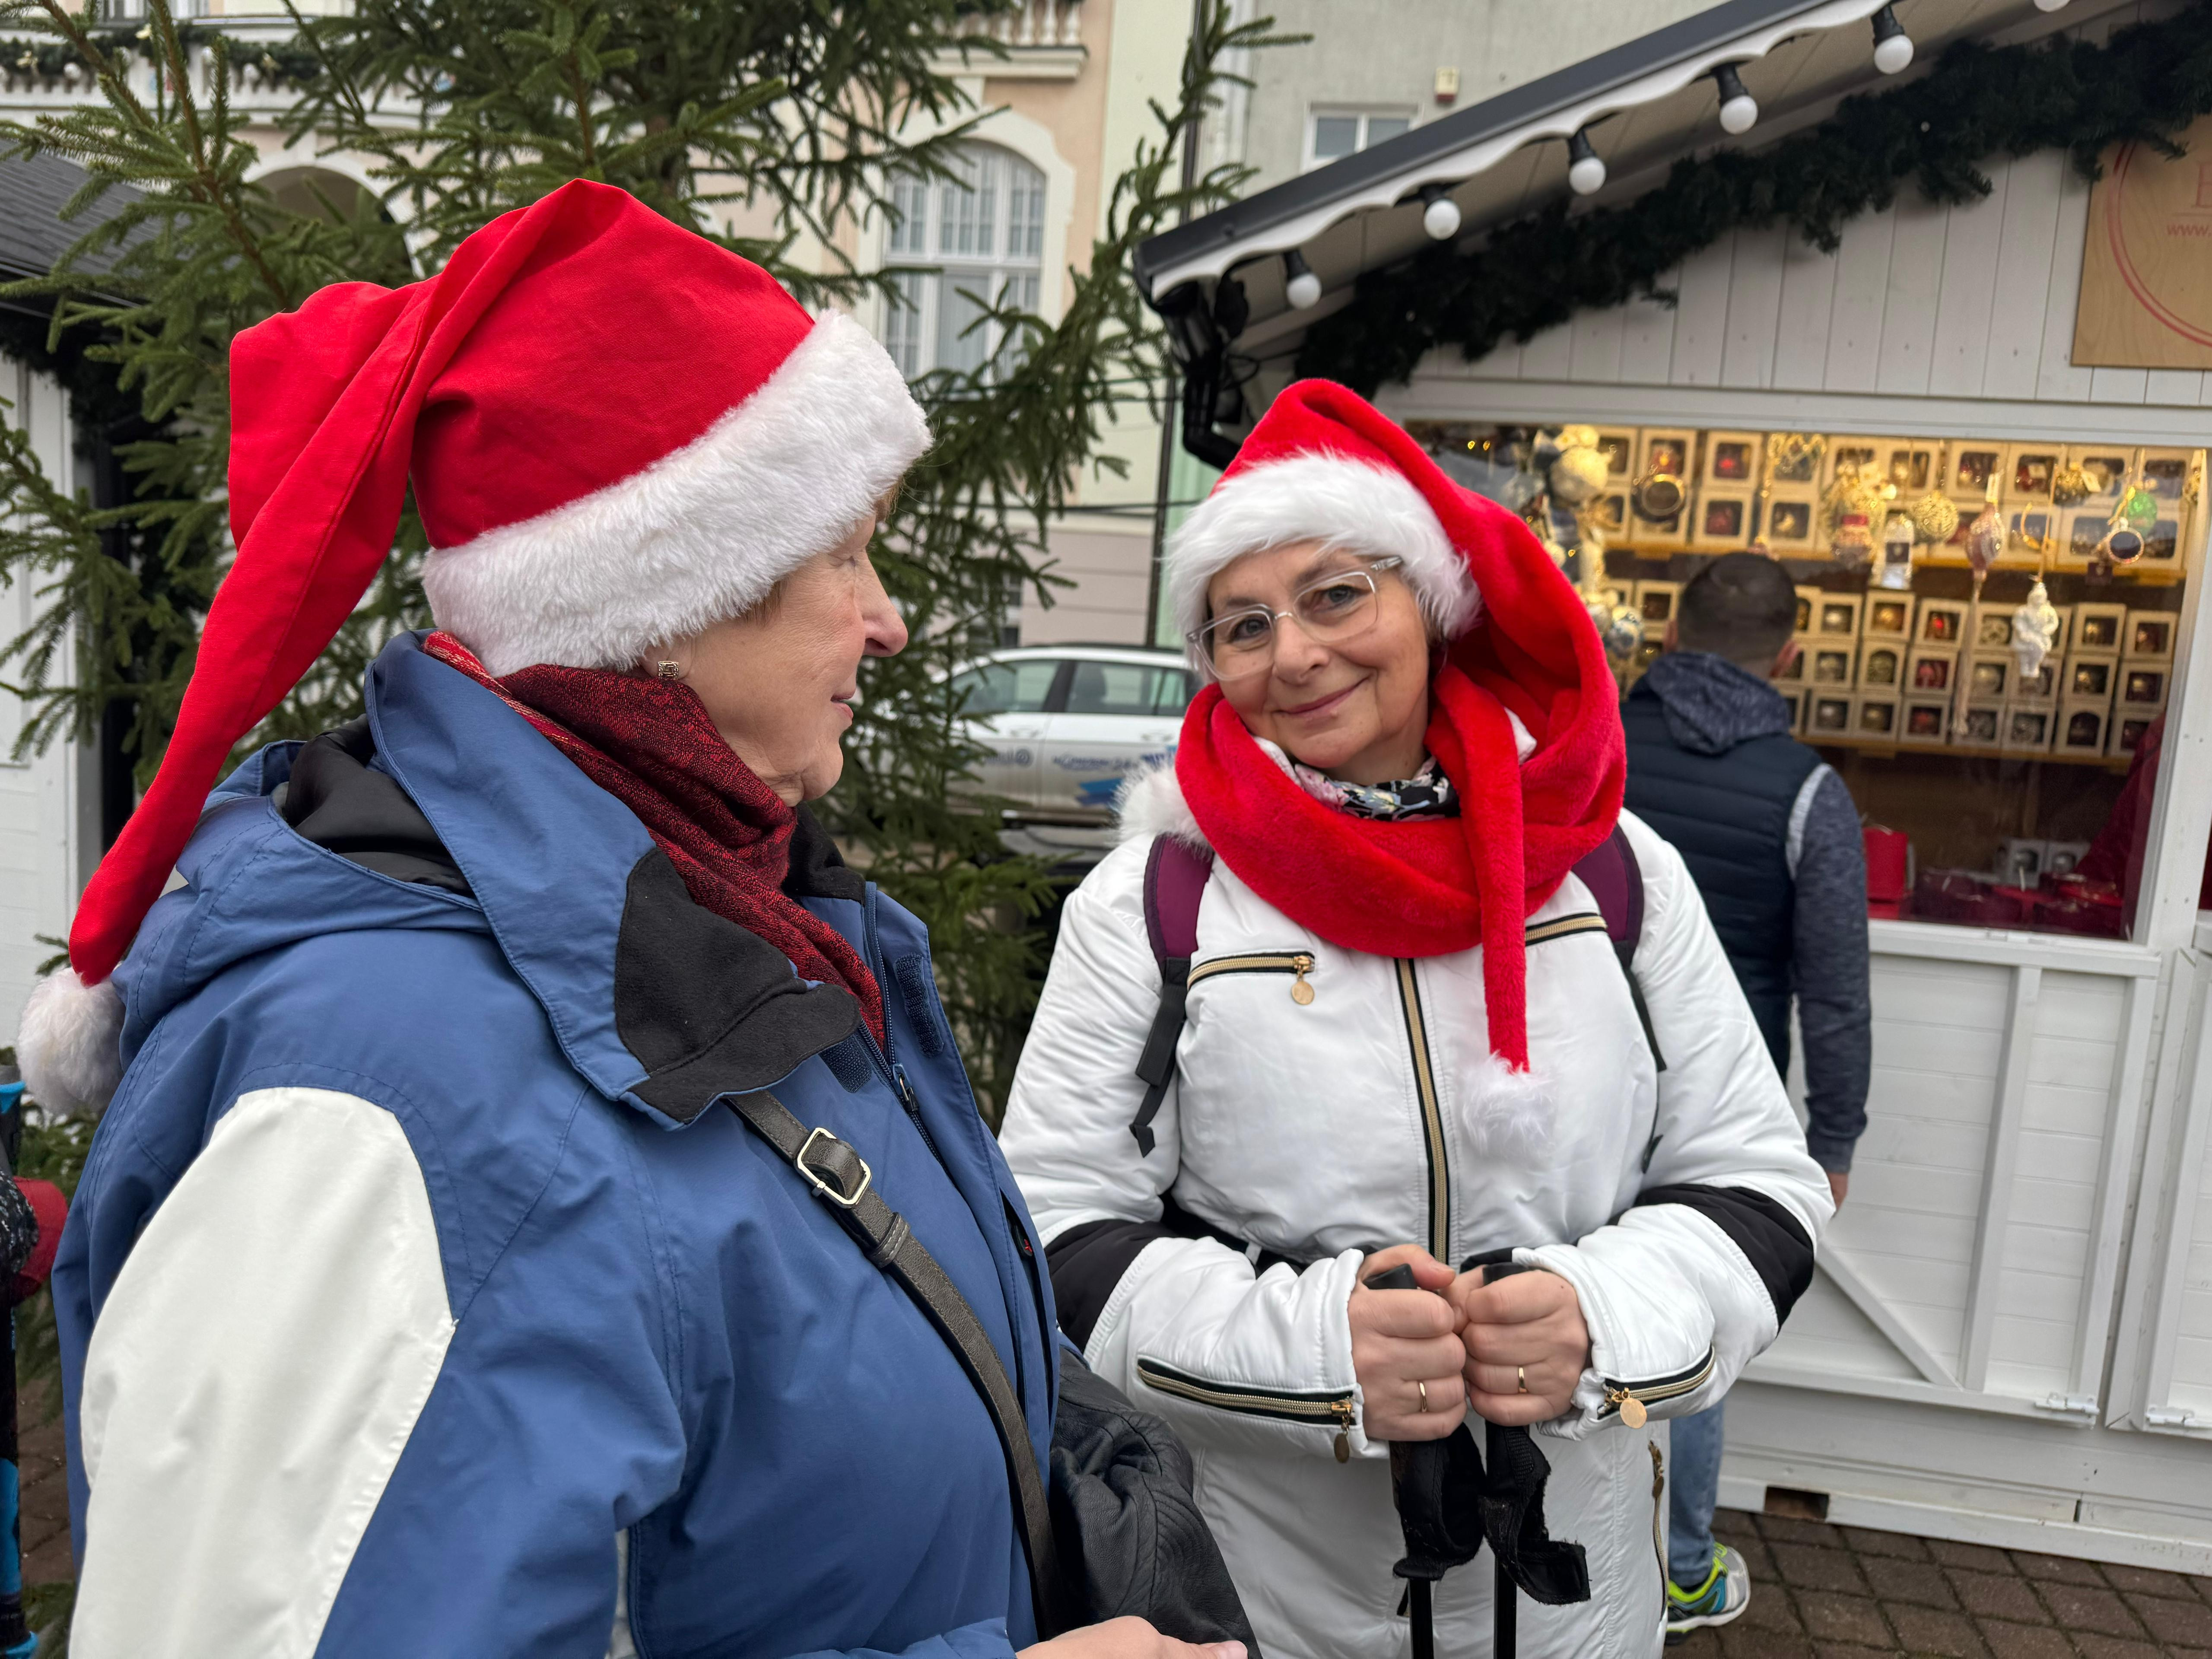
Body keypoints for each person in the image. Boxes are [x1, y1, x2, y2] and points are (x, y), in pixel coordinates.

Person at [18, 181, 1240, 1659]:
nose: (887, 615)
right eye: (847, 549)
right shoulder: (387, 1101)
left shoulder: (753, 918)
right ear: (670, 589)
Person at [998, 383, 1832, 1659]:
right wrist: (1319, 1350)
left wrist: (1596, 1321)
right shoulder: (1154, 903)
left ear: (1432, 604)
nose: (1294, 654)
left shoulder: (1613, 870)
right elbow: (1052, 1230)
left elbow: (1756, 1185)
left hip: (1579, 1609)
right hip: (1269, 1605)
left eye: (1337, 594)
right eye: (1242, 624)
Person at [1619, 552, 1871, 1636]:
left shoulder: (1595, 755)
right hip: (1722, 1102)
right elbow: (1835, 996)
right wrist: (1833, 1141)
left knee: (1557, 1297)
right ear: (1793, 655)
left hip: (1572, 1081)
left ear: (1667, 638)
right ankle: (1679, 1568)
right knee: (1696, 1309)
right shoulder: (1810, 792)